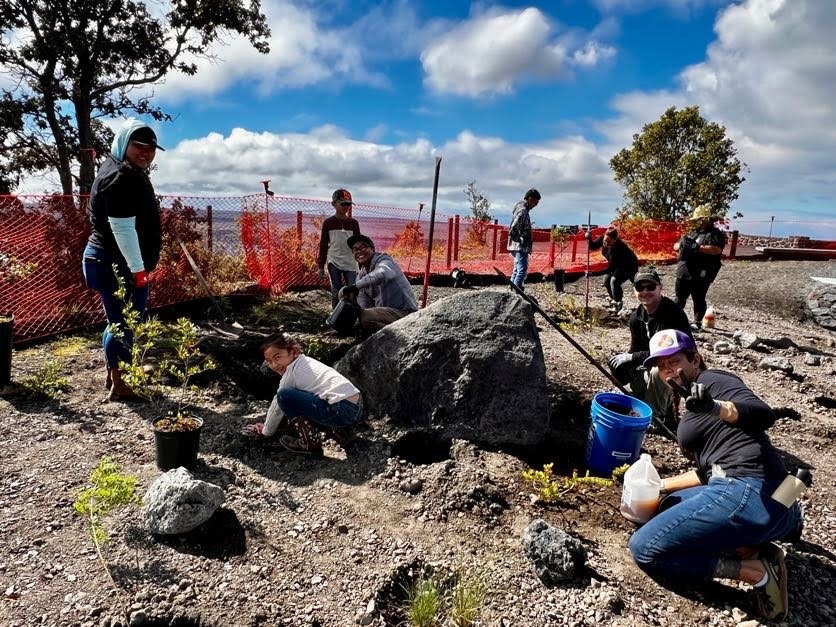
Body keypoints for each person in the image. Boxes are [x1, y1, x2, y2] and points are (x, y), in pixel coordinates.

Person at [628, 329, 802, 621]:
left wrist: (715, 407)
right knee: (667, 503)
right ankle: (756, 542)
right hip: (773, 496)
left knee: (645, 549)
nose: (668, 369)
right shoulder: (690, 399)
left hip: (747, 491)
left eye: (674, 360)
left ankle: (755, 572)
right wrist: (657, 486)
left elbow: (763, 414)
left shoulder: (712, 381)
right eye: (661, 365)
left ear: (695, 359)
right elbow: (708, 472)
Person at [82, 119, 164, 401]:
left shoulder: (119, 168)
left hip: (110, 260)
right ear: (123, 143)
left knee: (118, 320)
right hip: (117, 262)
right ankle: (121, 383)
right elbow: (123, 229)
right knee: (123, 323)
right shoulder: (122, 177)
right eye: (138, 146)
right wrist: (139, 271)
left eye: (151, 147)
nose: (145, 152)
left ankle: (115, 374)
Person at [243, 333, 364, 455]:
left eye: (277, 357)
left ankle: (310, 442)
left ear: (294, 352)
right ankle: (343, 431)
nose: (274, 365)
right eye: (269, 361)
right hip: (357, 405)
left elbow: (277, 405)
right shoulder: (306, 362)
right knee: (313, 396)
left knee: (284, 395)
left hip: (341, 411)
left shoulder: (292, 374)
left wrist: (266, 431)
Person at [607, 270, 692, 424]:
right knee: (625, 365)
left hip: (679, 365)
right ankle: (648, 403)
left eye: (650, 287)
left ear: (660, 288)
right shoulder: (636, 317)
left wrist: (632, 357)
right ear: (634, 290)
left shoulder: (672, 314)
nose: (645, 291)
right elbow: (635, 350)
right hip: (655, 362)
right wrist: (624, 365)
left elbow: (666, 355)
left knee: (658, 371)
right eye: (640, 288)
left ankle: (656, 417)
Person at [337, 234, 418, 333]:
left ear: (372, 249)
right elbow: (365, 306)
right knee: (344, 292)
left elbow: (383, 273)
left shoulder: (384, 260)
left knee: (366, 317)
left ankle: (402, 334)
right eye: (355, 249)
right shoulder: (362, 275)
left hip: (405, 313)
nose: (359, 251)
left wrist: (355, 286)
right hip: (384, 313)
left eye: (363, 247)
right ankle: (344, 327)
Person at [673, 204, 727, 329]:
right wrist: (680, 246)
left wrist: (697, 247)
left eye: (699, 220)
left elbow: (716, 249)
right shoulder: (692, 233)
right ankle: (673, 321)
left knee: (698, 298)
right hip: (684, 270)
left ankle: (697, 323)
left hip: (702, 273)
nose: (697, 222)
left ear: (705, 220)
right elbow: (676, 245)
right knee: (679, 298)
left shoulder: (715, 234)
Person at [317, 189, 362, 309]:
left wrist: (362, 264)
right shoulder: (328, 223)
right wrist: (320, 266)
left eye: (348, 204)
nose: (346, 207)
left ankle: (351, 315)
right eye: (343, 204)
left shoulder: (353, 223)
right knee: (336, 290)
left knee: (352, 290)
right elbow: (323, 244)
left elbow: (358, 245)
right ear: (334, 204)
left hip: (351, 262)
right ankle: (335, 317)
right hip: (334, 260)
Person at [587, 227, 639, 312]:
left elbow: (609, 269)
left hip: (628, 265)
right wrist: (588, 238)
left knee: (614, 281)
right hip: (617, 264)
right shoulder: (605, 237)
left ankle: (618, 303)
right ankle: (614, 300)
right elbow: (593, 247)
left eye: (609, 242)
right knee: (606, 280)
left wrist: (592, 273)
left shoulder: (617, 249)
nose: (606, 243)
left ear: (615, 240)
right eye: (605, 240)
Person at [507, 188, 541, 290]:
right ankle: (517, 290)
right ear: (530, 199)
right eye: (536, 201)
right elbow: (513, 228)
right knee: (522, 269)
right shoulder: (522, 211)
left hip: (517, 245)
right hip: (519, 246)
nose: (536, 204)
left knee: (517, 269)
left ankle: (512, 289)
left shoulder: (520, 208)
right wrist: (521, 240)